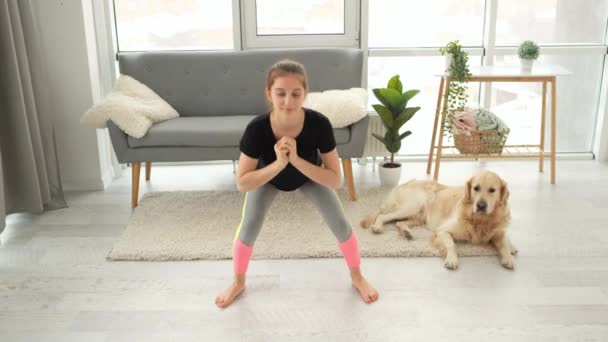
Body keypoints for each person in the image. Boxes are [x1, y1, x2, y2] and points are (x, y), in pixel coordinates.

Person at [215, 59, 379, 308]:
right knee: (249, 227)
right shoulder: (257, 129)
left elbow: (335, 179)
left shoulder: (319, 124)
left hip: (309, 176)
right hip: (267, 178)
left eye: (296, 94)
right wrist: (279, 164)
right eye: (280, 93)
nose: (288, 101)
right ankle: (238, 281)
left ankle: (357, 276)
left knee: (340, 223)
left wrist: (296, 161)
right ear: (269, 94)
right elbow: (243, 183)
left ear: (306, 94)